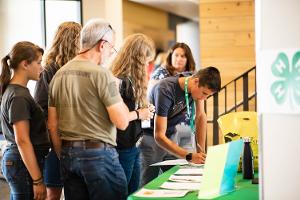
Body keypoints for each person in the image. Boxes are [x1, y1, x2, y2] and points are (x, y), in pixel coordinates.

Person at [47, 18, 130, 200]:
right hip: (99, 155)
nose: (110, 54)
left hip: (68, 155)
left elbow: (52, 125)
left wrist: (65, 154)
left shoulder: (58, 75)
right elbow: (122, 122)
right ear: (102, 44)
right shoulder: (102, 74)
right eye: (111, 48)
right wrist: (116, 91)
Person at [140, 66, 221, 186]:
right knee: (149, 183)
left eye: (207, 96)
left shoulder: (194, 82)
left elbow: (200, 116)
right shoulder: (165, 89)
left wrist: (201, 151)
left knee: (181, 178)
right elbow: (159, 136)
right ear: (196, 81)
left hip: (170, 134)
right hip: (151, 136)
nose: (204, 98)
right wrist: (189, 156)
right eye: (204, 93)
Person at [34, 21, 82, 200]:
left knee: (73, 189)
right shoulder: (49, 70)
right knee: (53, 193)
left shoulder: (77, 68)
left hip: (73, 138)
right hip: (54, 141)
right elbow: (42, 109)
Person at [0, 41, 50, 200]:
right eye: (38, 62)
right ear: (25, 64)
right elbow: (22, 139)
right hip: (21, 163)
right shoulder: (19, 96)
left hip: (21, 161)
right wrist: (37, 180)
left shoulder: (17, 91)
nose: (41, 67)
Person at [111, 33, 155, 195]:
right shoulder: (119, 81)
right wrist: (139, 113)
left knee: (133, 191)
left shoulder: (132, 80)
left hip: (134, 145)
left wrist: (145, 110)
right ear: (136, 57)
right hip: (122, 146)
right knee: (122, 192)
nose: (147, 64)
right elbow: (117, 118)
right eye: (145, 59)